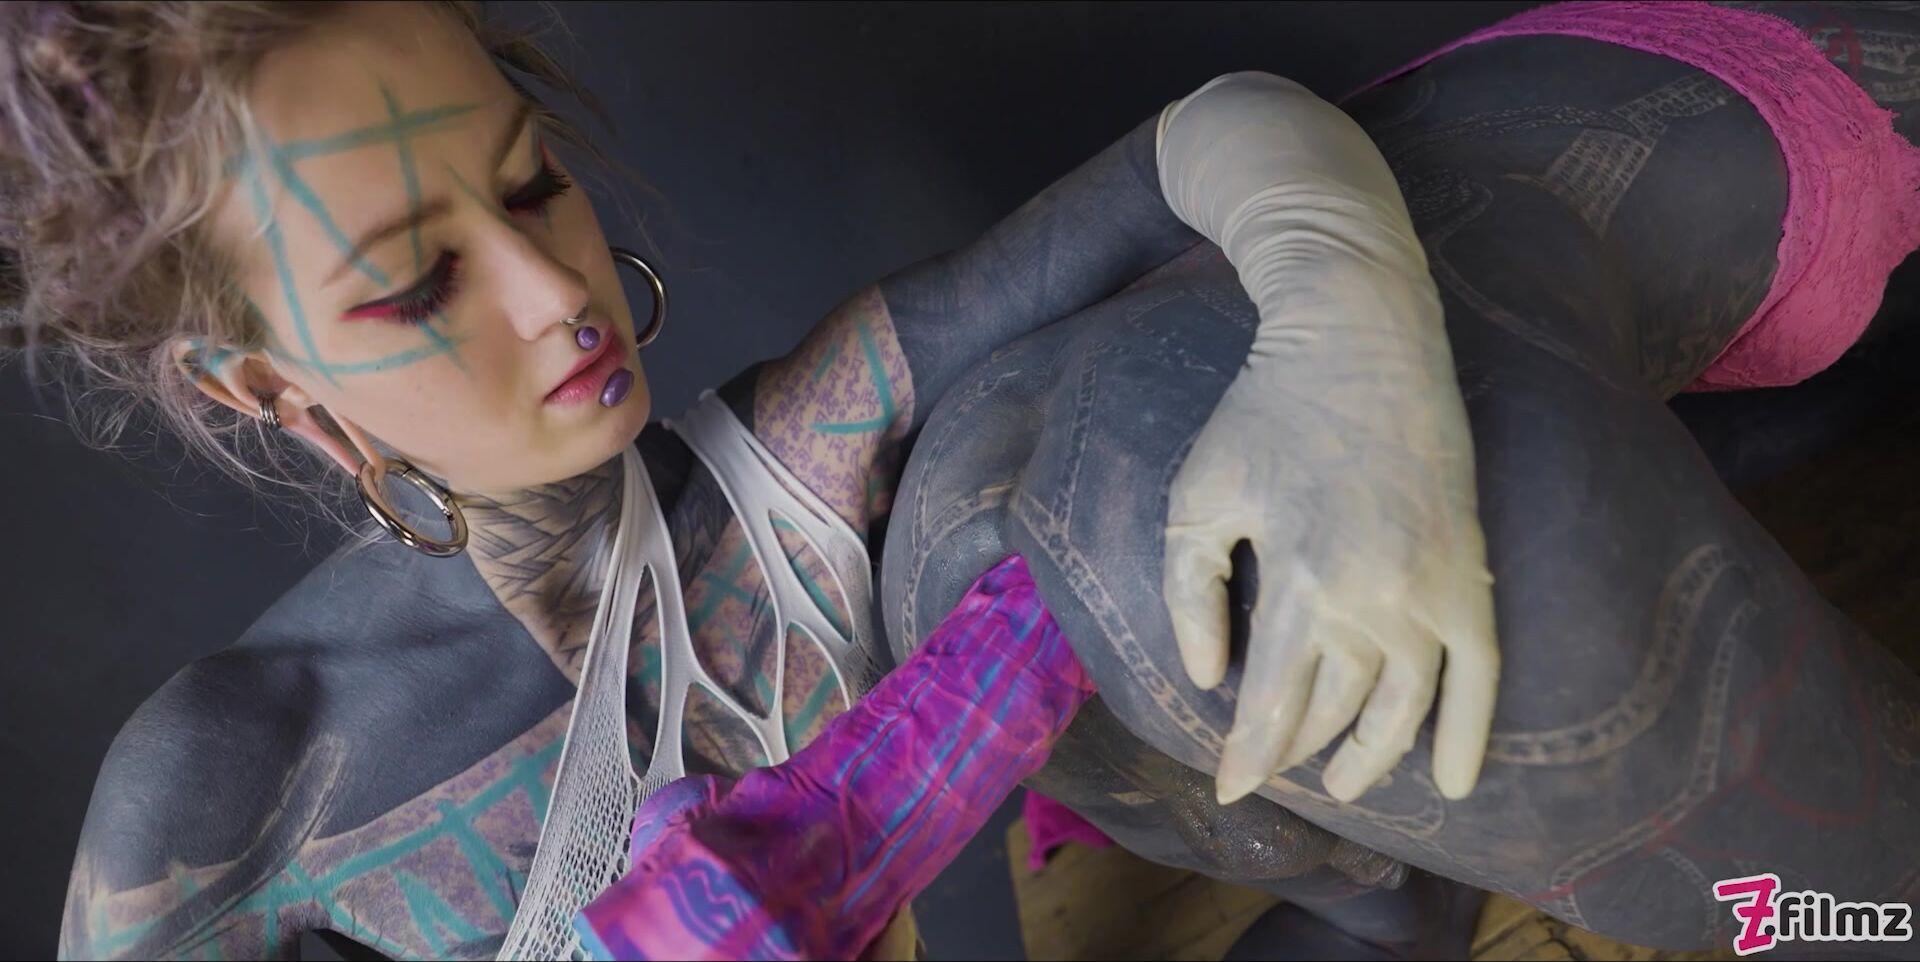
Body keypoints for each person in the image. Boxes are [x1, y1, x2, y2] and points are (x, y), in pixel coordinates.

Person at [6, 2, 1489, 958]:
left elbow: (1213, 136)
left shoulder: (798, 481)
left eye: (530, 184)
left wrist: (1354, 330)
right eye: (419, 284)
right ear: (271, 388)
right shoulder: (227, 788)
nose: (551, 291)